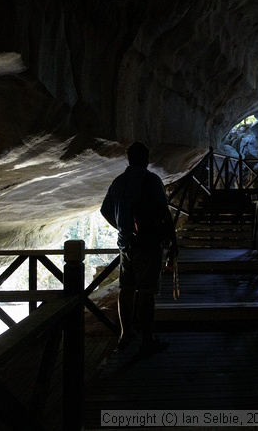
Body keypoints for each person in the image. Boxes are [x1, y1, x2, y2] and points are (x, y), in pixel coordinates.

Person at [101, 141, 179, 355]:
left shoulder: (118, 182)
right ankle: (147, 339)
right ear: (146, 159)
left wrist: (123, 228)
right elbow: (164, 212)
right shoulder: (151, 180)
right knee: (145, 290)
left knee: (126, 287)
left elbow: (105, 210)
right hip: (148, 242)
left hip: (126, 244)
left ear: (128, 159)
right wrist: (173, 240)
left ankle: (125, 334)